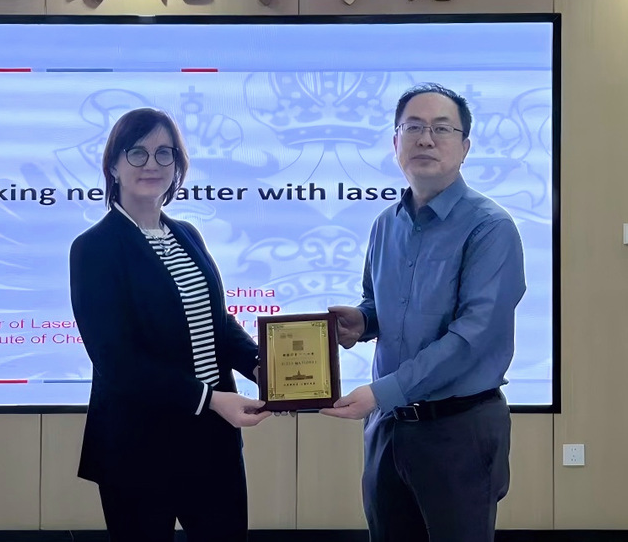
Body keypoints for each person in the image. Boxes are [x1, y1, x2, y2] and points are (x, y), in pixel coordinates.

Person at [322, 83, 527, 542]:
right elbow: (379, 303)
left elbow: (472, 338)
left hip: (458, 430)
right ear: (395, 142)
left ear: (465, 147)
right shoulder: (385, 224)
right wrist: (363, 321)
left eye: (441, 128)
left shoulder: (490, 228)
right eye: (412, 127)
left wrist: (382, 392)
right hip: (388, 429)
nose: (425, 139)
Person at [69, 107, 271, 542]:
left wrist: (261, 366)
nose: (152, 164)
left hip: (211, 441)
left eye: (165, 153)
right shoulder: (94, 248)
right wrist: (209, 399)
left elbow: (216, 321)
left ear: (178, 165)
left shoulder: (187, 234)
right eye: (137, 152)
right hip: (137, 446)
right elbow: (116, 361)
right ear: (113, 165)